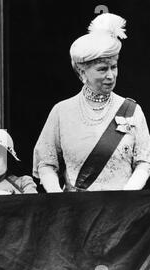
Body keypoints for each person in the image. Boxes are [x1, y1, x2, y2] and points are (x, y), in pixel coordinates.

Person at [33, 13, 150, 192]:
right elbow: (46, 164)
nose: (111, 75)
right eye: (102, 69)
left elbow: (145, 162)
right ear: (82, 73)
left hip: (123, 214)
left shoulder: (132, 110)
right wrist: (58, 197)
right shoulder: (61, 111)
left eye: (114, 67)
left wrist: (126, 199)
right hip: (76, 213)